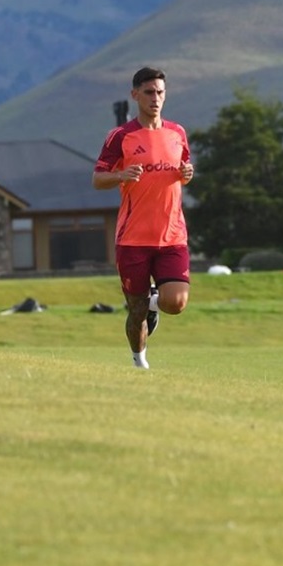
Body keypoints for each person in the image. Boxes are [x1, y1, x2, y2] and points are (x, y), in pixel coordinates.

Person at [92, 66, 195, 369]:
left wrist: (187, 173)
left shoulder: (177, 133)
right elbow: (98, 179)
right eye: (149, 92)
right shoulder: (121, 136)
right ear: (134, 95)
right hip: (133, 238)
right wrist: (121, 175)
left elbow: (182, 169)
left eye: (160, 92)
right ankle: (139, 362)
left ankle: (153, 301)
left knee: (175, 303)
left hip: (172, 235)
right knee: (135, 312)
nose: (155, 98)